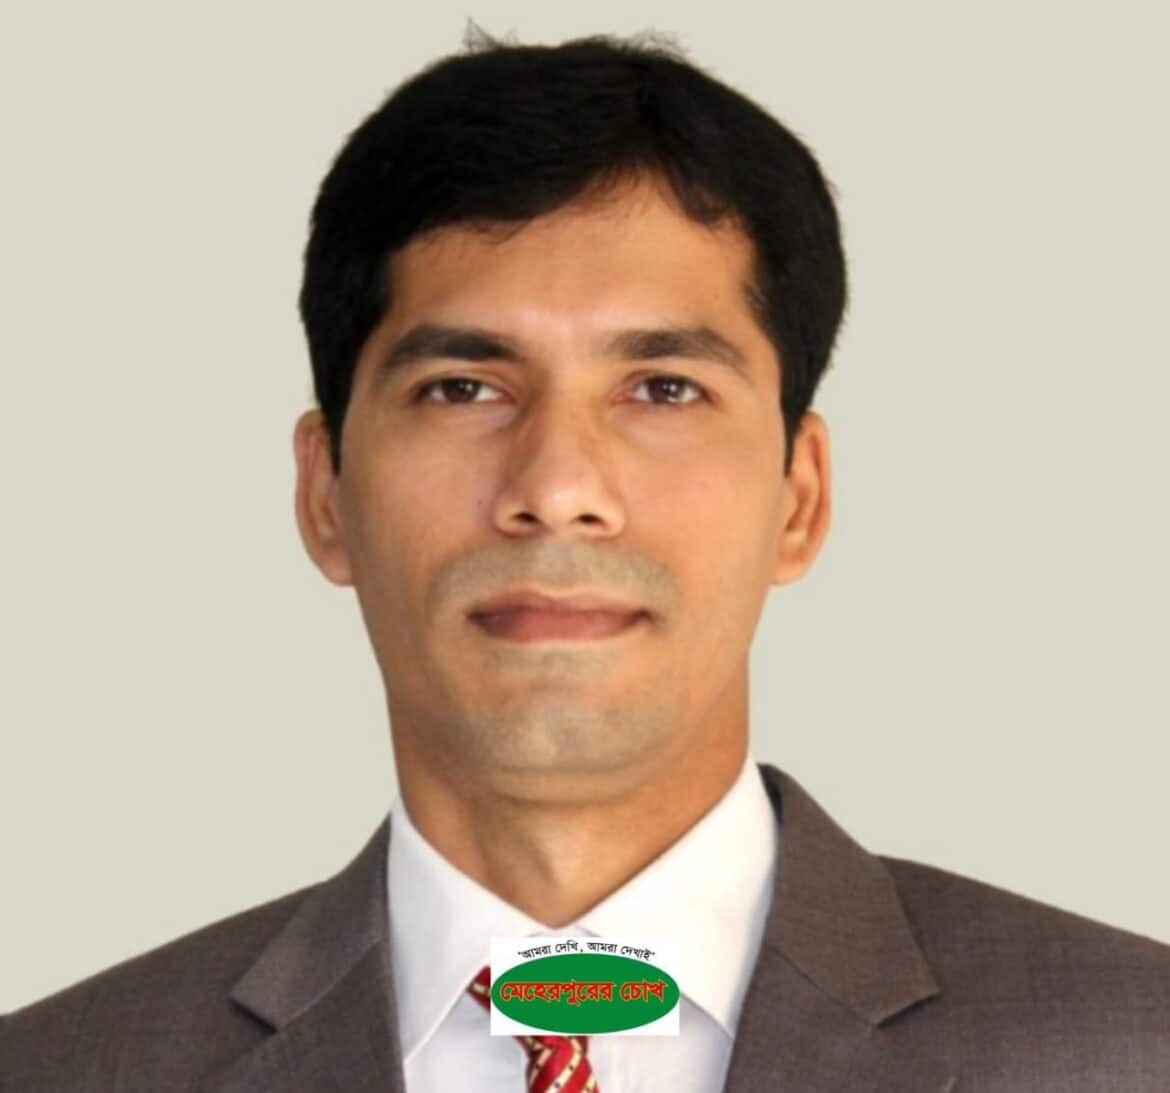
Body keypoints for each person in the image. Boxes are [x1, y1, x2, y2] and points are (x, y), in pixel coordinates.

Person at [3, 25, 1168, 1093]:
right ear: (326, 494)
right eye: (462, 388)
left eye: (663, 388)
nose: (557, 487)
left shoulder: (1135, 1047)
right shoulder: (59, 1069)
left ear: (800, 497)